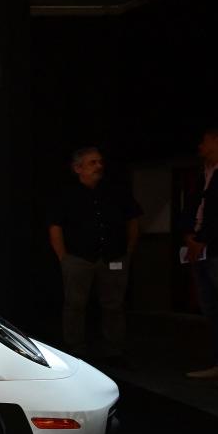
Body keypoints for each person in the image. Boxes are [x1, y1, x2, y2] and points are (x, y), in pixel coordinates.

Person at [47, 147, 141, 357]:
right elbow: (55, 226)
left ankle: (114, 350)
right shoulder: (66, 195)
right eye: (92, 163)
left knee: (114, 305)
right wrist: (64, 258)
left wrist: (128, 251)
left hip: (114, 257)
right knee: (75, 304)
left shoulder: (116, 191)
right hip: (78, 258)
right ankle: (75, 349)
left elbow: (133, 219)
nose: (99, 166)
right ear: (77, 168)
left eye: (100, 162)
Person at [183, 125, 218, 388]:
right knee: (214, 308)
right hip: (204, 251)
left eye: (204, 141)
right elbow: (194, 206)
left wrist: (201, 239)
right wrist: (189, 235)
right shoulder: (205, 173)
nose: (200, 147)